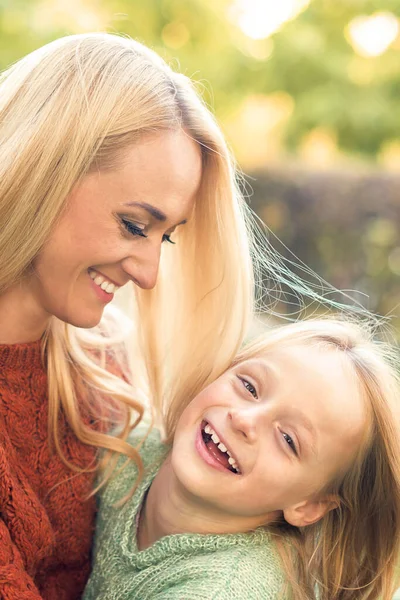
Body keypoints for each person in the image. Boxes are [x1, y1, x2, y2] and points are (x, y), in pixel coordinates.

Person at [0, 32, 257, 599]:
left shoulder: (103, 365)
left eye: (165, 239)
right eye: (135, 225)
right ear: (44, 169)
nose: (148, 272)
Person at [83, 319, 400, 600]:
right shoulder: (125, 447)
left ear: (309, 505)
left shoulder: (229, 588)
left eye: (288, 439)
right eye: (248, 386)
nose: (244, 420)